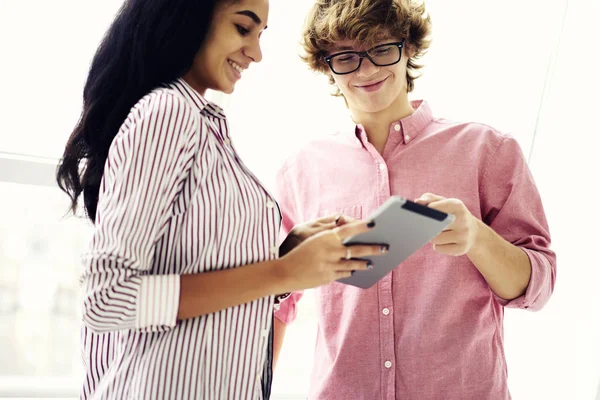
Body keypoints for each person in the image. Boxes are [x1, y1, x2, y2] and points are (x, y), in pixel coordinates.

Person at [55, 0, 386, 398]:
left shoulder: (202, 123)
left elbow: (194, 267)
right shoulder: (167, 113)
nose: (256, 53)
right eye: (243, 28)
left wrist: (284, 256)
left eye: (260, 35)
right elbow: (107, 298)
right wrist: (284, 273)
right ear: (187, 16)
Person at [273, 0, 557, 399]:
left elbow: (538, 286)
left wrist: (477, 238)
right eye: (347, 56)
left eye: (382, 49)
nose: (367, 70)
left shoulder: (487, 150)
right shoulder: (300, 170)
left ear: (409, 48)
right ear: (326, 65)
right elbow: (274, 300)